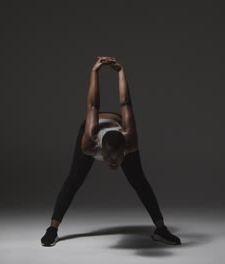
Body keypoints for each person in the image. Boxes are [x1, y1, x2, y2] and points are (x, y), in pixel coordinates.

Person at [40, 56, 181, 246]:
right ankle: (52, 229)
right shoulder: (89, 143)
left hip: (117, 126)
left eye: (117, 159)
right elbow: (93, 105)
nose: (113, 164)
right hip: (94, 127)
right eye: (108, 159)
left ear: (124, 152)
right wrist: (94, 72)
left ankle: (161, 229)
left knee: (139, 181)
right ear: (101, 152)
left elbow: (126, 103)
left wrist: (121, 72)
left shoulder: (130, 142)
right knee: (73, 180)